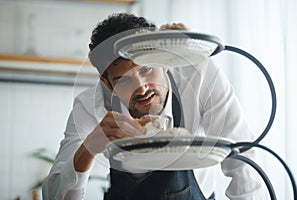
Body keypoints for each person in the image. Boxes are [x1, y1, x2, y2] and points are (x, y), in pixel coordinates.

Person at [42, 13, 264, 199]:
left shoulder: (199, 74)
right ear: (107, 84)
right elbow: (53, 195)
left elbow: (242, 160)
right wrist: (89, 146)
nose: (141, 88)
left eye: (147, 69)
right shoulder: (90, 105)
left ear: (164, 61)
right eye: (123, 80)